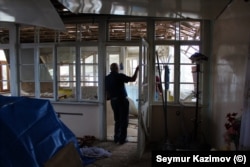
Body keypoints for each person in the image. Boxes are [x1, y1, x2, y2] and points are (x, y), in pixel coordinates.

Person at [105, 63, 139, 144]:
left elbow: (107, 91)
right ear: (117, 68)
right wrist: (137, 70)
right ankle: (122, 140)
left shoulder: (107, 78)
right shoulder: (119, 76)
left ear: (110, 69)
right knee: (124, 121)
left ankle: (116, 138)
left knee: (117, 120)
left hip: (113, 101)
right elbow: (133, 79)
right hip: (122, 101)